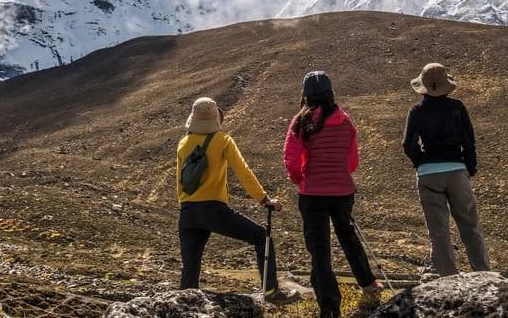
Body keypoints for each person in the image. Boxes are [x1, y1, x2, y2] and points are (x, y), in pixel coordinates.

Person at [176, 97, 297, 304]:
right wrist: (264, 199)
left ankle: (184, 307)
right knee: (261, 237)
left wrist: (187, 208)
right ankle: (271, 293)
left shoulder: (183, 143)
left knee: (190, 269)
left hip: (187, 213)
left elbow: (180, 181)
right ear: (215, 118)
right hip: (213, 210)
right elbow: (243, 172)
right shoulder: (223, 141)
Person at [283, 71, 382, 318]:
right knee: (348, 236)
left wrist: (300, 179)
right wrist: (338, 174)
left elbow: (291, 158)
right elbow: (352, 161)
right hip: (343, 191)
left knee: (319, 250)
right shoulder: (345, 120)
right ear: (330, 93)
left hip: (312, 193)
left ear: (305, 94)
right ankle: (368, 284)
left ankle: (329, 308)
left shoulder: (301, 121)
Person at [402, 63, 490, 277]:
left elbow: (408, 144)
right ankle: (482, 272)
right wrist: (469, 167)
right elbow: (469, 141)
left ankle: (447, 275)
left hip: (428, 174)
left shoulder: (416, 110)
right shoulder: (457, 107)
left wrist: (420, 162)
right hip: (457, 170)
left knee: (438, 230)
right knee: (469, 225)